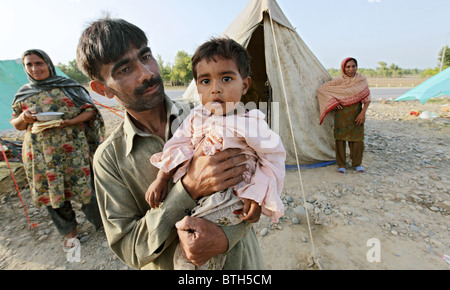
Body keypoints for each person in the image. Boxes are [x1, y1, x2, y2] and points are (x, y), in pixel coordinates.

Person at [76, 17, 265, 270]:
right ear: (103, 89)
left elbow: (253, 178)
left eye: (145, 57)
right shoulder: (110, 159)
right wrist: (187, 190)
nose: (147, 73)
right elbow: (129, 247)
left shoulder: (211, 114)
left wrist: (224, 237)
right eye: (125, 70)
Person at [146, 38, 286, 270]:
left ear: (245, 84)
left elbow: (272, 159)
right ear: (197, 87)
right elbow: (177, 143)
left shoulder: (252, 122)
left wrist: (257, 194)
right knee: (191, 247)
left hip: (234, 196)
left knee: (196, 247)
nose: (215, 88)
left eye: (227, 78)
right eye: (205, 81)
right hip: (197, 198)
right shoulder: (195, 118)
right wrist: (162, 177)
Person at [10, 49, 105, 250]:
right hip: (40, 155)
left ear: (49, 64)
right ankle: (69, 232)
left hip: (74, 151)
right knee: (52, 194)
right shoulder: (24, 93)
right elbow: (16, 123)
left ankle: (103, 224)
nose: (35, 68)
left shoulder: (68, 87)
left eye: (39, 63)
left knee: (86, 188)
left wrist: (70, 121)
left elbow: (90, 111)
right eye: (29, 65)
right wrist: (23, 118)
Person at [317, 57, 371, 174]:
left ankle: (357, 164)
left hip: (356, 113)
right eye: (348, 67)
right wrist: (333, 103)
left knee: (357, 140)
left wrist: (363, 113)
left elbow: (367, 99)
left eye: (353, 66)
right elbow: (322, 90)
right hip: (341, 114)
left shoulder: (361, 80)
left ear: (357, 67)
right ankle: (341, 164)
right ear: (343, 68)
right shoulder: (338, 81)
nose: (351, 69)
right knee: (340, 139)